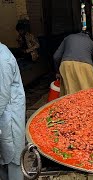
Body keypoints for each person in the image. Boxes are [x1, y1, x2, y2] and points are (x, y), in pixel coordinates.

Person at [0, 42, 26, 180]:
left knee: (13, 159)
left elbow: (2, 95)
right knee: (4, 156)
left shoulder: (2, 58)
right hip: (4, 114)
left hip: (9, 116)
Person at [53, 30, 93, 96]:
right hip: (86, 67)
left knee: (70, 93)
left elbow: (56, 57)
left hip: (66, 64)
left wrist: (58, 72)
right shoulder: (91, 42)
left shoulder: (68, 38)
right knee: (88, 94)